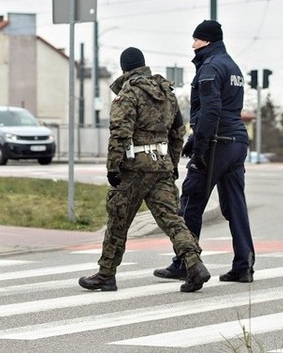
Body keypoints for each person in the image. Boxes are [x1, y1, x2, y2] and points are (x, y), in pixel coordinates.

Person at [79, 47, 210, 293]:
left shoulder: (128, 93)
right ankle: (194, 264)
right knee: (172, 220)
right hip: (161, 167)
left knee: (118, 221)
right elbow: (178, 132)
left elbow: (120, 132)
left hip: (133, 169)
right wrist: (171, 163)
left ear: (124, 69)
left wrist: (113, 167)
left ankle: (106, 275)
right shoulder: (166, 93)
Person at [154, 20, 255, 284]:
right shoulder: (232, 66)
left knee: (191, 200)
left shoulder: (210, 67)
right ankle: (244, 265)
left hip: (217, 142)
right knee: (235, 206)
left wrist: (200, 147)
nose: (192, 45)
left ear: (207, 41)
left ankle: (185, 263)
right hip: (236, 141)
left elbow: (210, 110)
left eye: (196, 39)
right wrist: (194, 138)